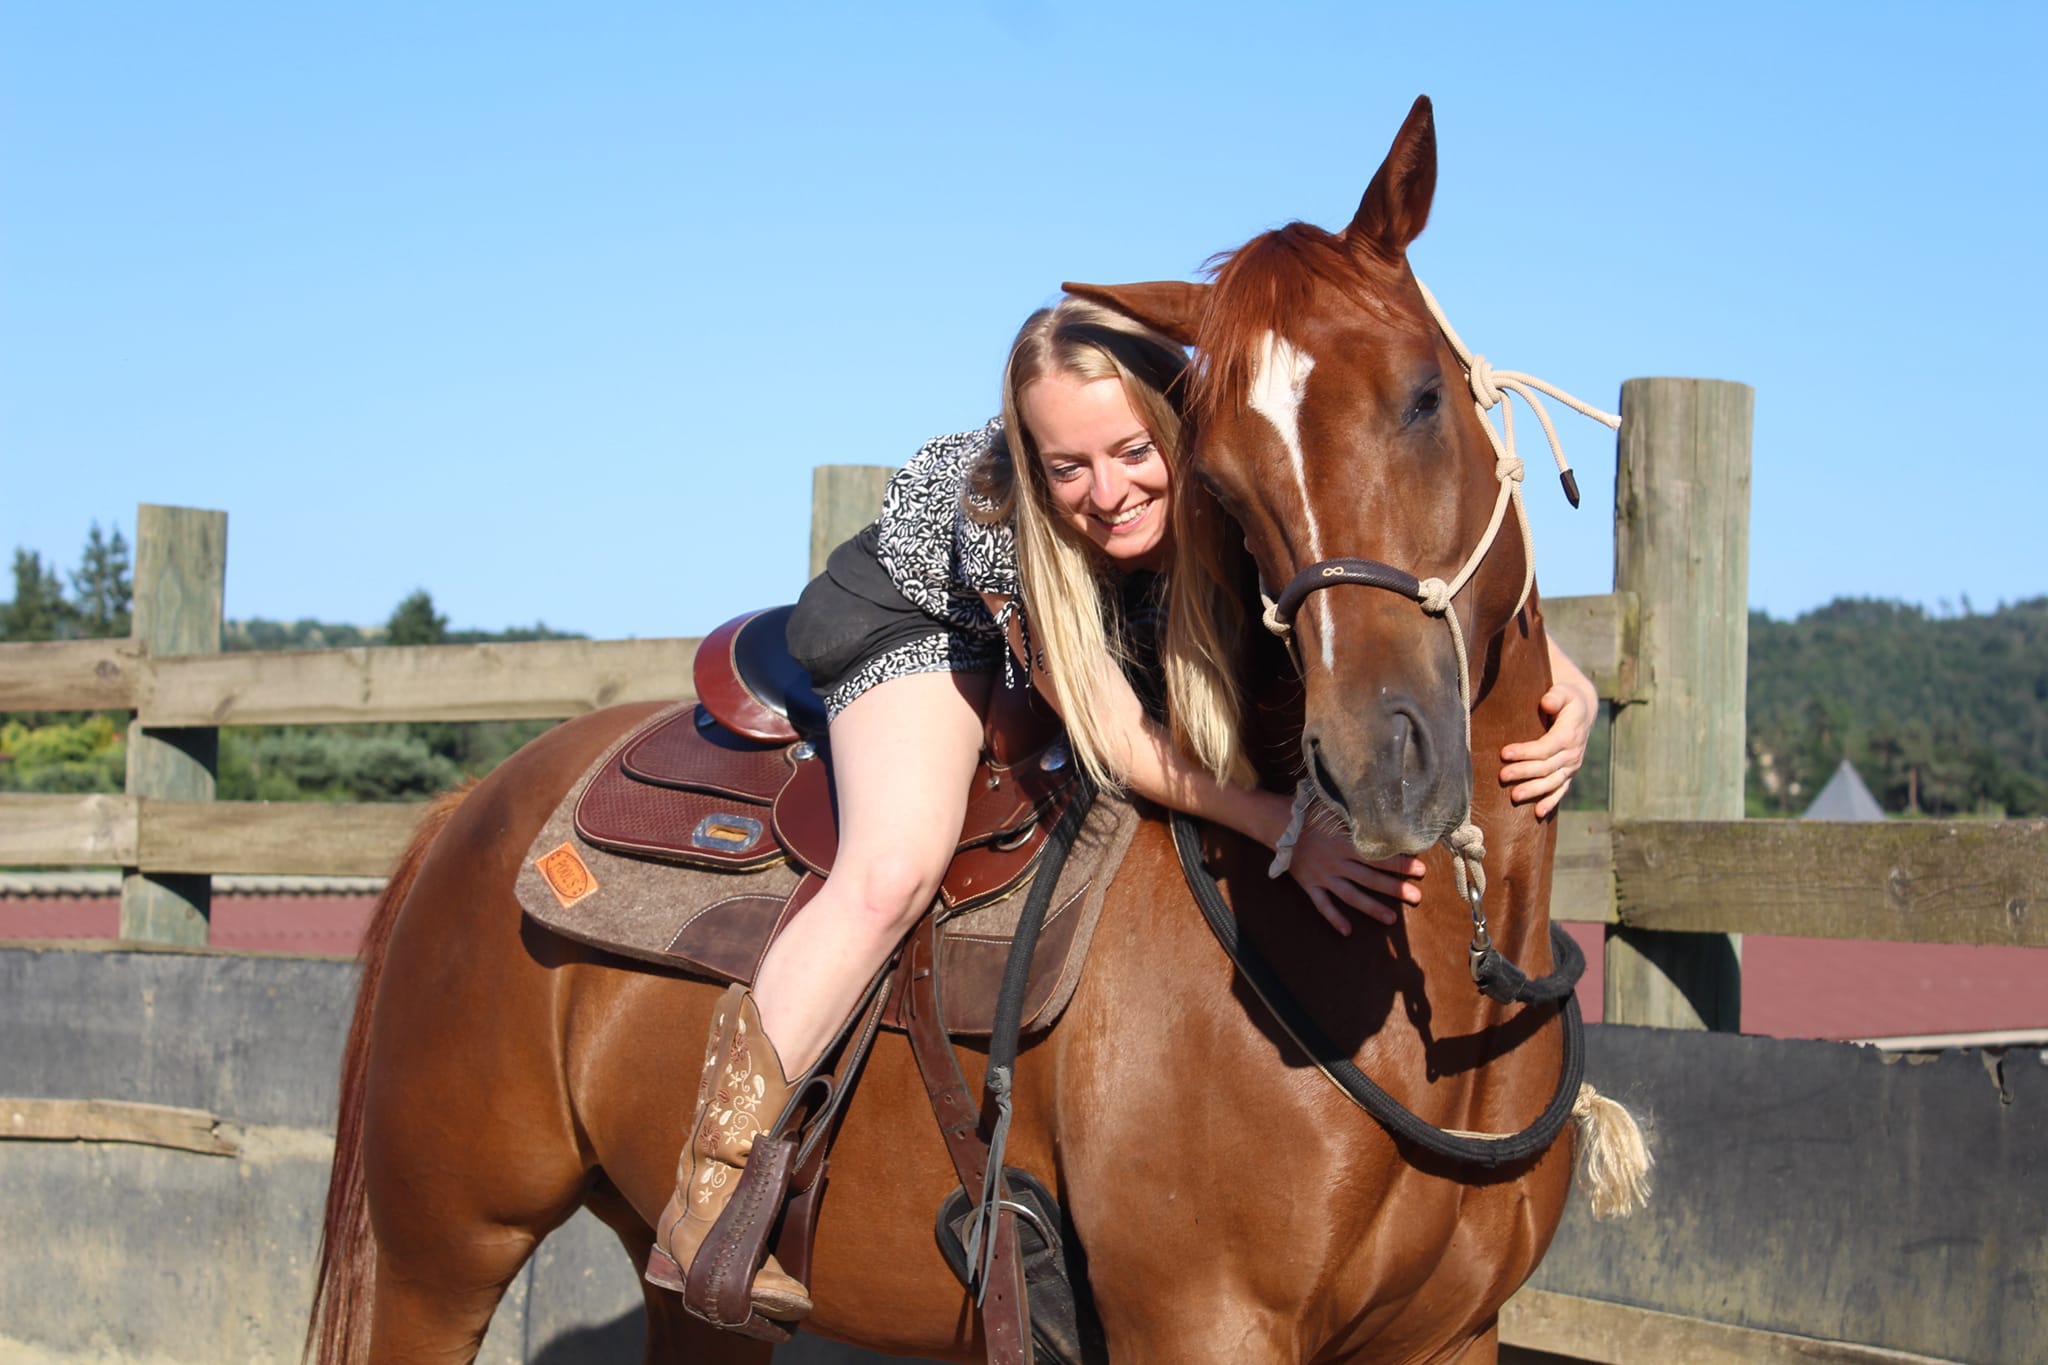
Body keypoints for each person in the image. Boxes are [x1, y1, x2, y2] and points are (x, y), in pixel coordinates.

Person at [647, 296, 1598, 1323]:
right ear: (1031, 462)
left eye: (1130, 451)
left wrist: (1559, 675)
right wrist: (1280, 827)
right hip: (928, 618)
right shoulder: (1003, 517)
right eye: (1067, 466)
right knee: (891, 868)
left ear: (1175, 426)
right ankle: (716, 1172)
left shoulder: (1228, 464)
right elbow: (1108, 731)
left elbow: (1365, 577)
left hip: (1119, 614)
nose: (1105, 493)